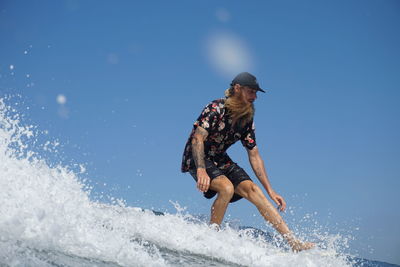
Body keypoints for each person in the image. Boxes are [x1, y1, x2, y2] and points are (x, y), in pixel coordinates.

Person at [181, 72, 314, 252]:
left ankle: (293, 243)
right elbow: (197, 139)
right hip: (198, 157)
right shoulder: (215, 108)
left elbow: (254, 155)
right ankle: (210, 239)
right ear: (237, 88)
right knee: (226, 188)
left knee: (254, 190)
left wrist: (270, 190)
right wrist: (201, 170)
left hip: (220, 158)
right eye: (251, 92)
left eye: (256, 93)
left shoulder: (246, 119)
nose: (255, 97)